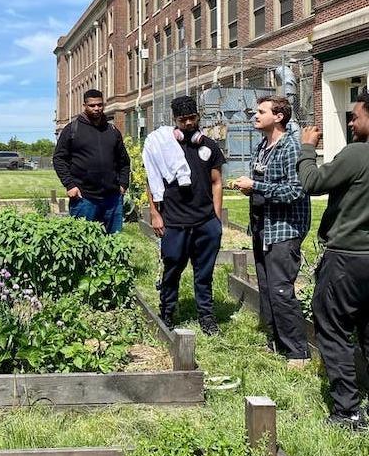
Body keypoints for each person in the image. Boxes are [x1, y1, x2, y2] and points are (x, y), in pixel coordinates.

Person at [297, 92, 369, 430]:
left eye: (355, 116)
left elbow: (312, 183)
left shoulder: (357, 154)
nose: (351, 123)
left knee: (334, 329)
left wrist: (308, 148)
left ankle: (347, 411)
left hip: (347, 260)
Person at [232, 96, 311, 367]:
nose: (255, 115)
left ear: (278, 117)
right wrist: (248, 189)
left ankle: (298, 353)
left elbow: (295, 190)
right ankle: (276, 342)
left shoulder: (290, 148)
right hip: (263, 227)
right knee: (266, 288)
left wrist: (256, 187)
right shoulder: (263, 146)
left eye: (261, 111)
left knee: (280, 290)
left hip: (284, 230)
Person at [146, 95, 225, 335]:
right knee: (172, 270)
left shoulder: (209, 146)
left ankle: (207, 317)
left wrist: (216, 219)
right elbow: (152, 181)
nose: (189, 123)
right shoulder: (163, 146)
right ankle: (168, 313)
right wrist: (155, 214)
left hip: (205, 221)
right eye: (183, 120)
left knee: (204, 273)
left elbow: (217, 182)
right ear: (175, 120)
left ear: (198, 116)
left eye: (192, 118)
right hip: (174, 221)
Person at [52, 89, 130, 234]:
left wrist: (123, 184)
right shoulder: (72, 129)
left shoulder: (112, 130)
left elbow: (124, 161)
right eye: (92, 105)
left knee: (115, 244)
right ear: (84, 105)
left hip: (112, 199)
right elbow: (59, 159)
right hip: (84, 199)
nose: (96, 109)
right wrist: (70, 185)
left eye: (99, 105)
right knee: (82, 244)